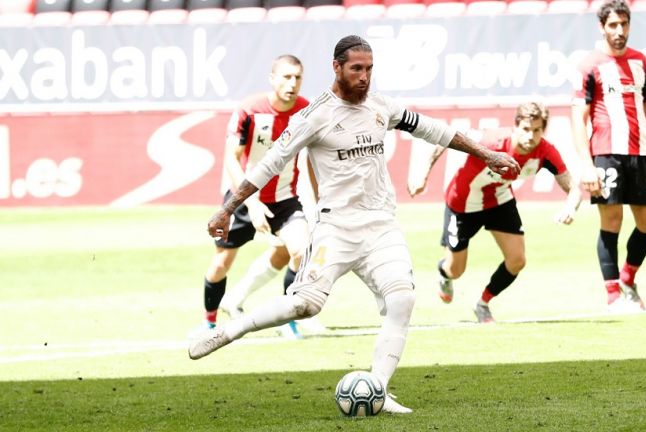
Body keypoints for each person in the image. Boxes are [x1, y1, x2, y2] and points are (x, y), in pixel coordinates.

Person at [188, 35, 520, 414]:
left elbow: (434, 130)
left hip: (381, 227)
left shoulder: (381, 107)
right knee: (305, 305)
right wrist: (228, 208)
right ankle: (231, 330)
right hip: (336, 229)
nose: (364, 77)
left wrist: (487, 153)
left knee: (402, 300)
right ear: (337, 67)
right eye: (356, 69)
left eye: (369, 69)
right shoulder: (313, 116)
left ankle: (378, 388)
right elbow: (270, 163)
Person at [408, 102, 582, 323]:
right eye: (526, 129)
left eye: (537, 130)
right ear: (516, 126)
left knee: (517, 260)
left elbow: (574, 188)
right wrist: (423, 173)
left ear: (543, 130)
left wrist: (570, 207)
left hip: (499, 199)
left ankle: (482, 303)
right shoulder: (492, 140)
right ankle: (444, 274)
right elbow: (448, 135)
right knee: (455, 270)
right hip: (463, 203)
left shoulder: (546, 152)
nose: (531, 136)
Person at [190, 54, 324, 340]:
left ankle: (288, 318)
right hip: (243, 196)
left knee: (301, 251)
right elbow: (231, 159)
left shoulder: (306, 111)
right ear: (272, 79)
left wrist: (320, 198)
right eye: (286, 77)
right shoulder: (249, 110)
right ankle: (209, 323)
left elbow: (313, 158)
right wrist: (251, 203)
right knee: (220, 264)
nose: (292, 83)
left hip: (284, 198)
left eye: (298, 77)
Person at [571, 0, 646, 312]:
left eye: (624, 24)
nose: (619, 31)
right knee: (612, 221)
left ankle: (628, 279)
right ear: (601, 27)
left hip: (639, 152)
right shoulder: (589, 66)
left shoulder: (642, 62)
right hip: (606, 153)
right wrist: (586, 164)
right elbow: (579, 117)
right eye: (613, 25)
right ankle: (613, 295)